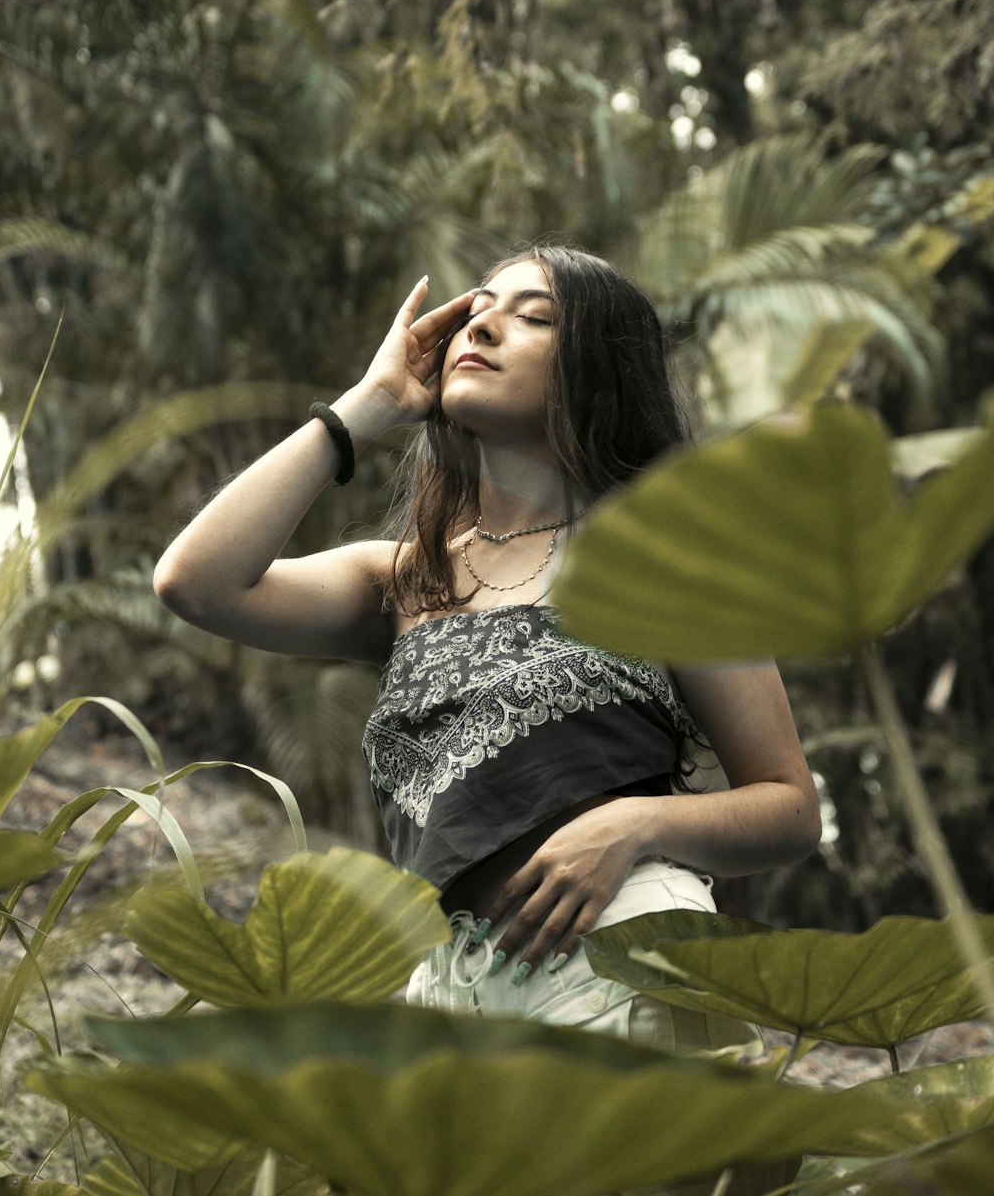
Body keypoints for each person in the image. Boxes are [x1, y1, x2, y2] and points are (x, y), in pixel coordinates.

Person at [154, 245, 821, 1049]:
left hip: (624, 957)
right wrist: (369, 403)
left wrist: (635, 824)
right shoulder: (405, 579)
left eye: (534, 316)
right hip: (448, 994)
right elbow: (195, 581)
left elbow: (789, 804)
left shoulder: (670, 558)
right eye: (477, 311)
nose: (486, 326)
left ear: (595, 371)